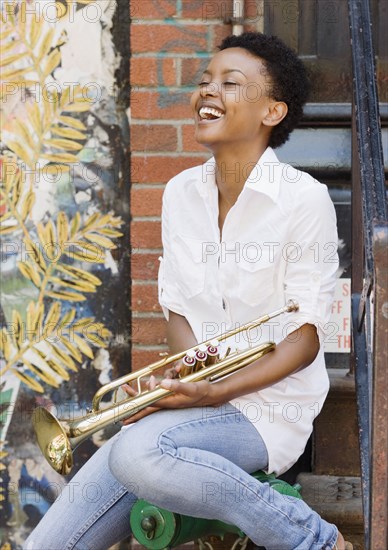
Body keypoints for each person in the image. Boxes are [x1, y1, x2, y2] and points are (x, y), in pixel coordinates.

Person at [24, 32, 352, 550]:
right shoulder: (180, 194)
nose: (208, 92)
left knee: (136, 453)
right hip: (203, 405)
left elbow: (305, 337)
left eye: (230, 83)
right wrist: (181, 379)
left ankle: (312, 539)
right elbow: (179, 309)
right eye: (204, 82)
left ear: (272, 111)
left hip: (269, 410)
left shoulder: (302, 199)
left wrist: (214, 391)